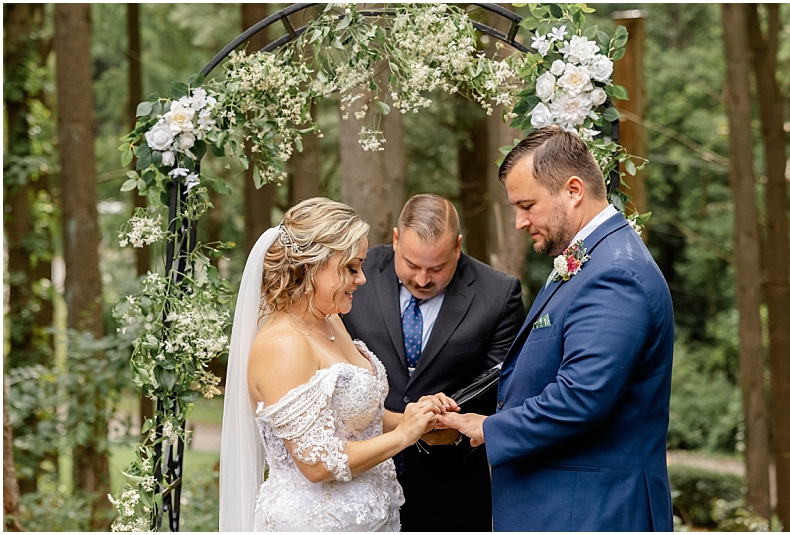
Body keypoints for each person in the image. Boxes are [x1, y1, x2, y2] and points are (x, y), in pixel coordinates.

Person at [438, 126, 675, 531]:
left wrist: (489, 427)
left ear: (573, 190)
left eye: (527, 205)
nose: (518, 222)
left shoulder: (616, 273)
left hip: (593, 512)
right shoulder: (592, 257)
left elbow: (581, 396)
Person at [218, 197, 456, 531]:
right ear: (311, 265)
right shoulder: (283, 344)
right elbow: (316, 463)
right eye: (350, 267)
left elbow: (359, 417)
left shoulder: (331, 321)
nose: (362, 279)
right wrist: (404, 435)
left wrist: (418, 420)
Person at [342, 193, 525, 532]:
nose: (422, 280)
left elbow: (501, 388)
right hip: (358, 479)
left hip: (451, 489)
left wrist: (449, 428)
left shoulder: (498, 295)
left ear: (457, 247)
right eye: (412, 265)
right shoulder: (353, 276)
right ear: (396, 240)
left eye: (437, 268)